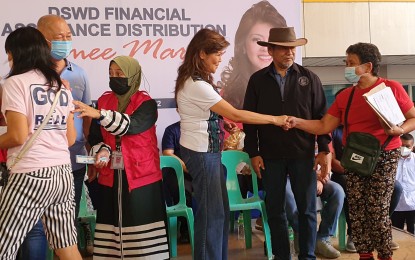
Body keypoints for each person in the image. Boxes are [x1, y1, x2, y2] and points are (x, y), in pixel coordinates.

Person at [287, 42, 415, 260]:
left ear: (367, 66)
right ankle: (364, 255)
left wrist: (399, 129)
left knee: (377, 211)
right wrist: (295, 121)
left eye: (351, 63)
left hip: (384, 156)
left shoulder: (391, 88)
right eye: (346, 62)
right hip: (355, 158)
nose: (346, 68)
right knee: (356, 211)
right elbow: (323, 126)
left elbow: (412, 117)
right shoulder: (345, 96)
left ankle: (384, 255)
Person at [174, 28, 288, 260]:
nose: (220, 60)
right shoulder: (196, 84)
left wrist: (219, 123)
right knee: (211, 216)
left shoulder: (195, 81)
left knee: (220, 213)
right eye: (217, 54)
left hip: (207, 152)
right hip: (202, 154)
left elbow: (204, 114)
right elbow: (236, 114)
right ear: (202, 54)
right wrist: (275, 119)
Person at [243, 26, 331, 259]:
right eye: (283, 49)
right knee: (274, 211)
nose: (289, 53)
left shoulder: (310, 78)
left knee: (307, 210)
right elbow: (248, 120)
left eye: (292, 48)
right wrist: (253, 152)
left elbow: (322, 118)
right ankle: (282, 256)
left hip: (303, 154)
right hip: (269, 156)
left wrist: (323, 149)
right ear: (270, 50)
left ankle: (308, 256)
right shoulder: (257, 80)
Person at [72, 55, 169, 259]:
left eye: (119, 74)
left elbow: (131, 126)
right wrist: (103, 150)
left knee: (142, 234)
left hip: (141, 176)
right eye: (111, 74)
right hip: (111, 174)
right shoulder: (104, 100)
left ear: (133, 76)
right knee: (111, 230)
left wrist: (99, 115)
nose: (114, 78)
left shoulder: (147, 104)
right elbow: (96, 135)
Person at [0, 26, 80, 260]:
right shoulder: (61, 86)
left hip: (31, 174)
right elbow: (70, 139)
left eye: (9, 54)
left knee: (3, 244)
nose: (8, 59)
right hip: (63, 173)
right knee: (67, 247)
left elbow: (17, 135)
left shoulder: (16, 83)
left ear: (17, 53)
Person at [18, 14, 93, 259]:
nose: (65, 42)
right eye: (60, 37)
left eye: (68, 36)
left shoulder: (79, 74)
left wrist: (87, 146)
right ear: (43, 40)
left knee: (65, 229)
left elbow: (86, 115)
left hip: (73, 160)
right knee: (34, 228)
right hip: (36, 164)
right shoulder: (26, 76)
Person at [331, 117, 403, 252]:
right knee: (351, 186)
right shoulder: (334, 130)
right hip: (344, 173)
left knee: (396, 188)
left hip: (372, 171)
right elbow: (333, 162)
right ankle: (354, 233)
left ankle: (378, 229)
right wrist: (355, 169)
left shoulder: (363, 126)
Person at [220, 0, 287, 110]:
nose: (266, 48)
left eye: (272, 40)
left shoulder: (296, 86)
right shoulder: (228, 97)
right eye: (257, 39)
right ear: (242, 46)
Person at [286, 174, 344, 259]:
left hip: (312, 175)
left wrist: (320, 180)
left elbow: (326, 165)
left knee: (337, 191)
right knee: (287, 197)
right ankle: (303, 236)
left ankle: (323, 238)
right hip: (285, 177)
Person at [161, 120, 193, 243]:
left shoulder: (201, 128)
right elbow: (167, 153)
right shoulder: (172, 130)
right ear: (178, 110)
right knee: (183, 192)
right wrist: (186, 168)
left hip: (199, 170)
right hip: (179, 171)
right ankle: (185, 230)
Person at [391, 133, 415, 234]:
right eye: (402, 145)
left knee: (413, 234)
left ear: (412, 147)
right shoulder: (391, 160)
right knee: (397, 233)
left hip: (413, 204)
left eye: (407, 146)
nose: (404, 148)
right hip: (397, 205)